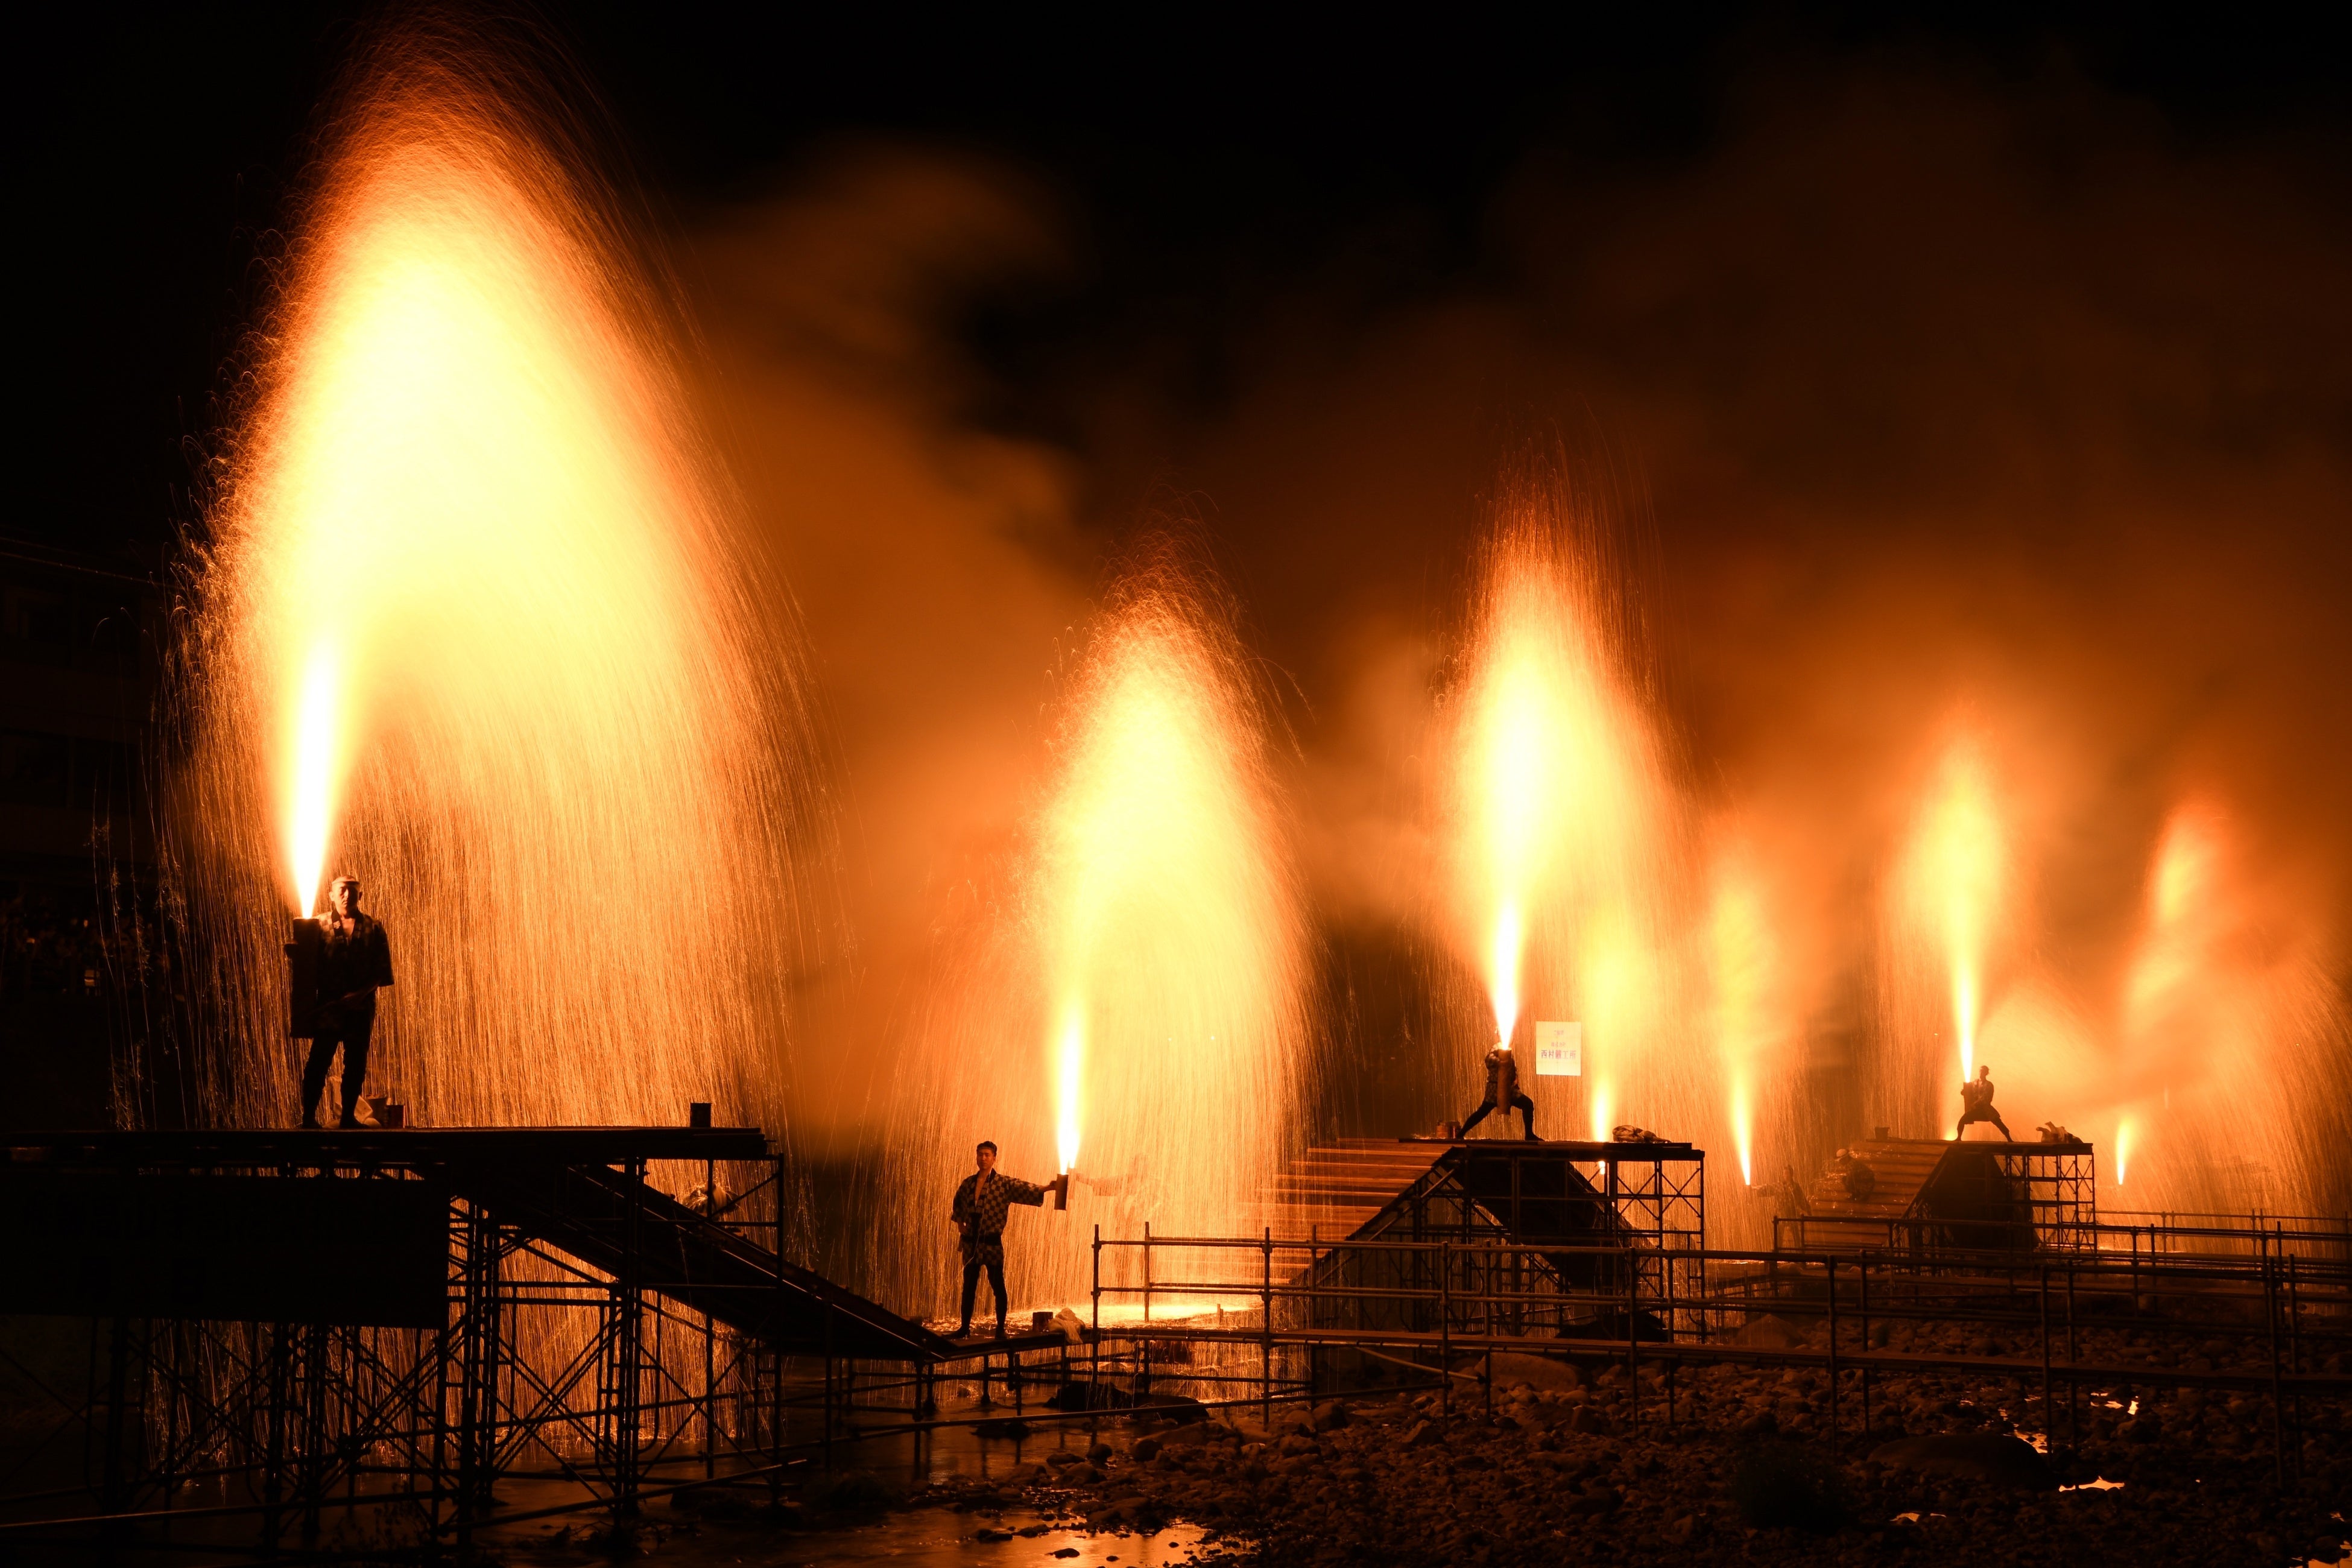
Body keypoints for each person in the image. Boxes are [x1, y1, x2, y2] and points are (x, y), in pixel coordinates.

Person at [302, 875, 395, 1130]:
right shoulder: (317, 926)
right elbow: (306, 964)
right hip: (329, 1008)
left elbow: (382, 971)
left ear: (360, 896)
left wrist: (361, 994)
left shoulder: (375, 928)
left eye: (352, 891)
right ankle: (308, 1118)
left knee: (355, 1065)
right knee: (318, 1062)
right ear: (331, 895)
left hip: (361, 1008)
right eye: (341, 890)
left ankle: (347, 1119)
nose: (347, 895)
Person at [949, 1141, 1054, 1338]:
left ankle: (1000, 1328)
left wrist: (1047, 1188)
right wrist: (960, 1225)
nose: (983, 1158)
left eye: (987, 1155)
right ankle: (964, 1328)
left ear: (994, 1158)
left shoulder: (1003, 1184)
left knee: (998, 1285)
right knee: (968, 1286)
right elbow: (958, 1206)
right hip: (972, 1243)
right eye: (980, 1154)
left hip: (992, 1243)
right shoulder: (968, 1183)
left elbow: (1025, 1188)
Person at [1458, 1040, 1538, 1140]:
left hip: (1509, 1089)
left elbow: (1511, 1068)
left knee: (1527, 1104)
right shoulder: (1498, 1047)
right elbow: (1488, 1059)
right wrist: (1502, 1063)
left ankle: (1529, 1135)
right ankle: (1461, 1133)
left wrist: (1515, 1077)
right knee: (1482, 1112)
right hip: (1495, 1089)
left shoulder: (1507, 1049)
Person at [1955, 1064, 2013, 1140]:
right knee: (1962, 1120)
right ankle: (1959, 1137)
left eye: (1983, 1072)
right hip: (1975, 1108)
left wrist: (1975, 1104)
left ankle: (2009, 1138)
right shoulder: (1974, 1083)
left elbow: (1986, 1098)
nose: (1981, 1073)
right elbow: (1969, 1093)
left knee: (1998, 1122)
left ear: (1986, 1073)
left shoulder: (1989, 1085)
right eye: (1980, 1071)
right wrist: (1964, 1092)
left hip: (1986, 1109)